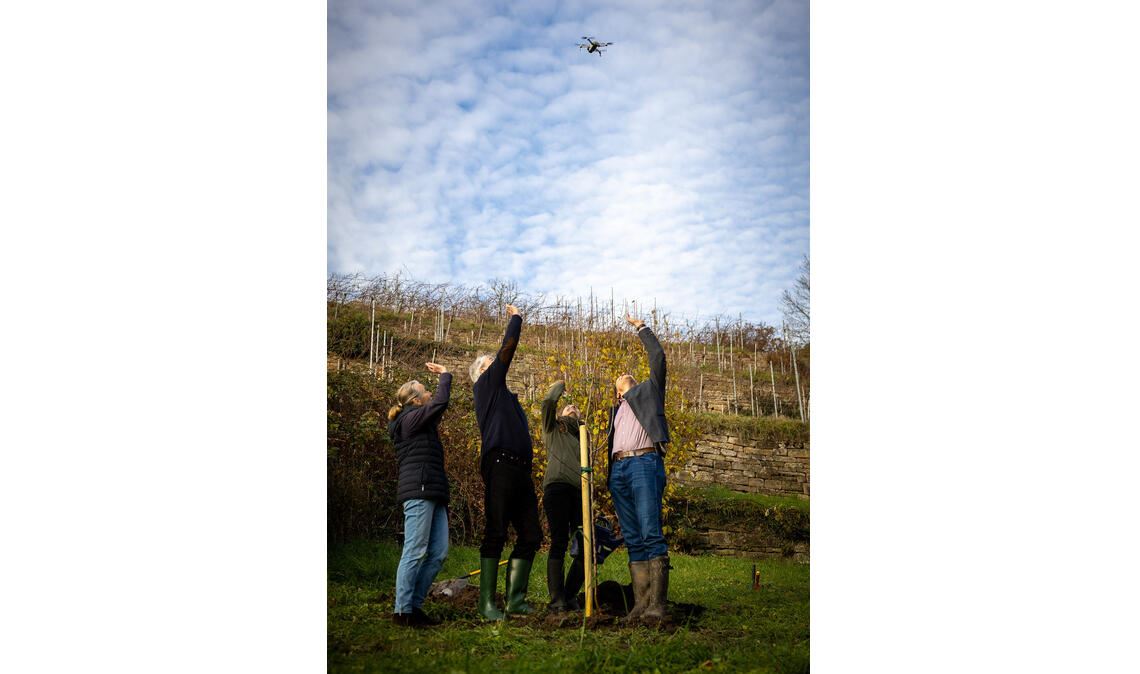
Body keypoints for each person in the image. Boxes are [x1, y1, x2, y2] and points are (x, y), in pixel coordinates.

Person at [469, 304, 542, 620]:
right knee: (496, 532)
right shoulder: (485, 387)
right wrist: (516, 319)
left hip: (521, 471)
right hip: (499, 464)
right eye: (489, 364)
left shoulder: (508, 401)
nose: (494, 365)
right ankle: (487, 604)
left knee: (531, 535)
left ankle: (515, 600)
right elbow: (507, 351)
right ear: (482, 373)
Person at [607, 313, 671, 623]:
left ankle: (657, 605)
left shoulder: (649, 393)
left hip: (645, 463)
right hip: (619, 471)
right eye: (618, 382)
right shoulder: (615, 411)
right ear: (617, 392)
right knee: (632, 536)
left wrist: (641, 328)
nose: (623, 376)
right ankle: (640, 605)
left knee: (649, 531)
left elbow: (658, 356)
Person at [386, 362, 453, 627]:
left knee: (438, 552)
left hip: (433, 490)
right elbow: (439, 404)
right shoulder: (409, 420)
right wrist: (445, 376)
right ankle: (402, 611)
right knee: (414, 551)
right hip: (419, 490)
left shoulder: (418, 421)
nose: (429, 395)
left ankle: (413, 605)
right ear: (415, 400)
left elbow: (435, 407)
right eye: (425, 392)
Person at [540, 380, 585, 612]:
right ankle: (556, 599)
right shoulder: (553, 428)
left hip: (579, 494)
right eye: (568, 407)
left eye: (577, 408)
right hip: (557, 489)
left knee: (584, 546)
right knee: (559, 541)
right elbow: (548, 403)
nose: (573, 407)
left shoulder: (584, 438)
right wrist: (560, 386)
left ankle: (569, 595)